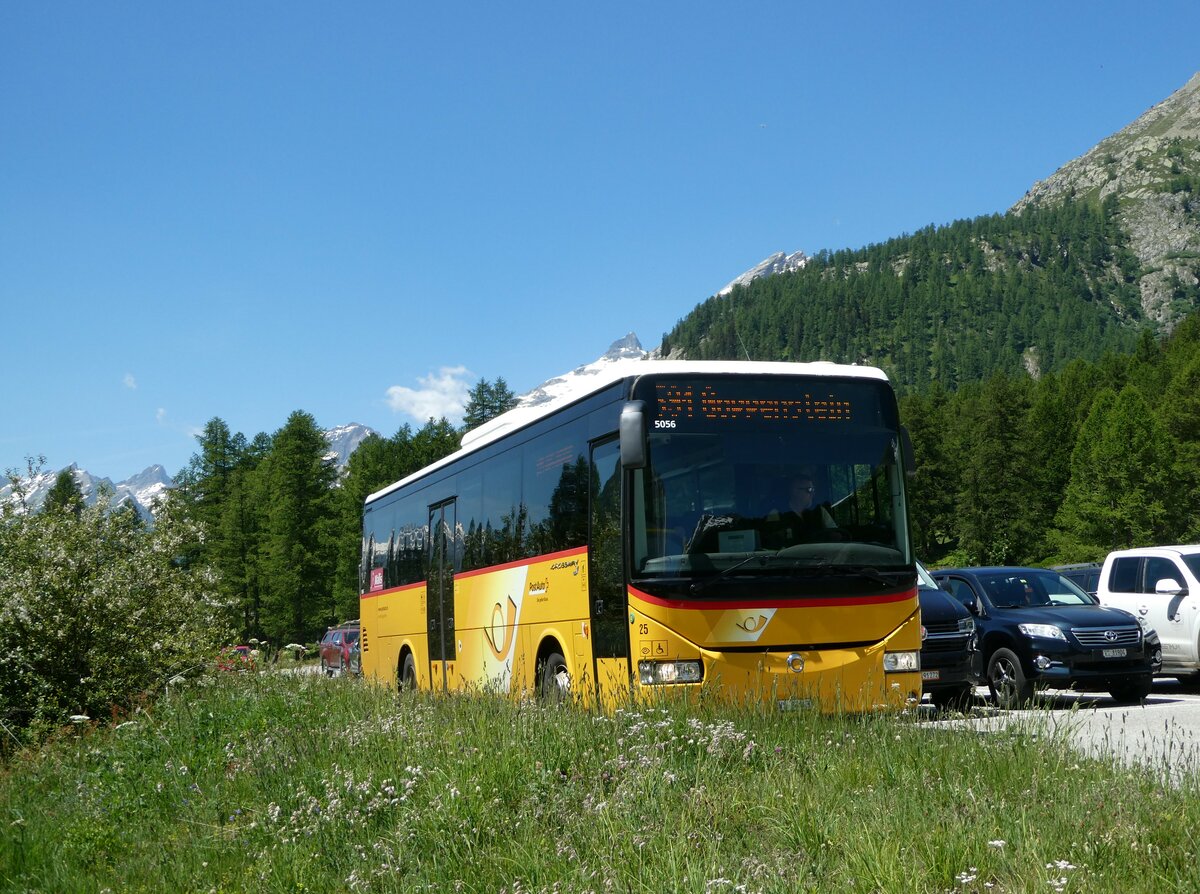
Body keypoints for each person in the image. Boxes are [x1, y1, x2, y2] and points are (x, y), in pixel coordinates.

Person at [764, 472, 837, 544]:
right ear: (794, 491)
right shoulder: (776, 513)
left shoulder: (819, 510)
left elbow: (835, 533)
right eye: (809, 490)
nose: (813, 493)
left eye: (813, 490)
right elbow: (770, 541)